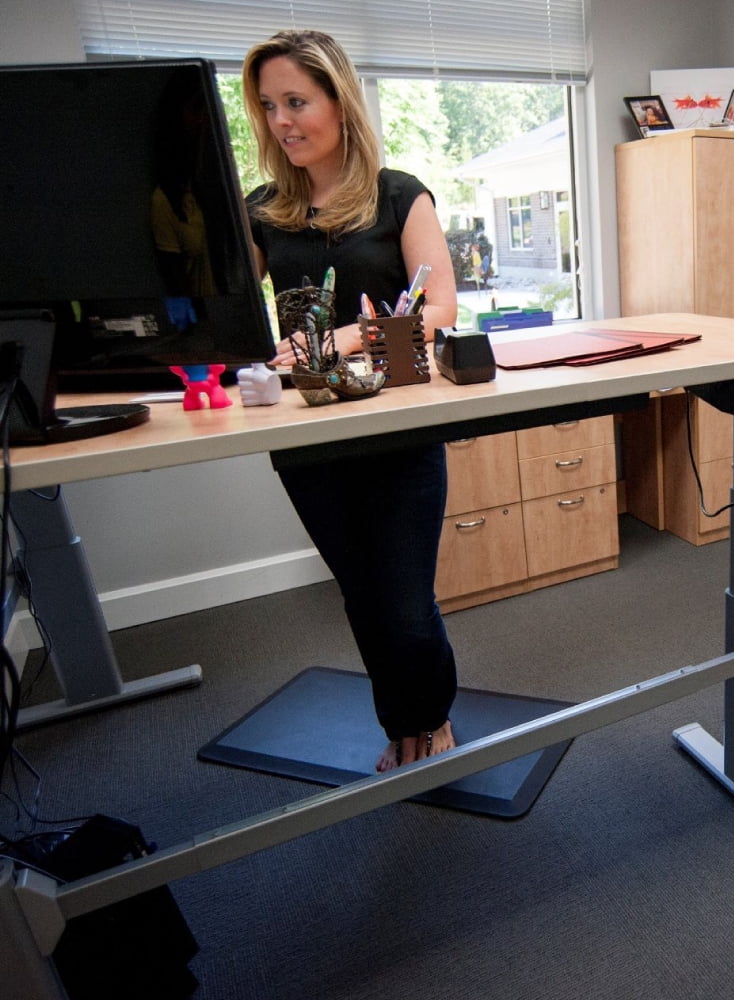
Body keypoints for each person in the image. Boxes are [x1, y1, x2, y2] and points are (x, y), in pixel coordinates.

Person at [241, 29, 459, 772]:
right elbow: (229, 312)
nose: (281, 121)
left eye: (297, 101)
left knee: (403, 600)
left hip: (396, 427)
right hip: (310, 439)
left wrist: (341, 340)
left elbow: (437, 311)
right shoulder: (263, 211)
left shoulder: (400, 194)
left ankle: (431, 719)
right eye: (269, 106)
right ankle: (401, 721)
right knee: (362, 598)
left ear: (339, 102)